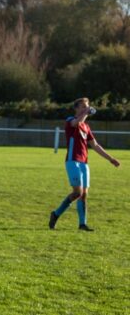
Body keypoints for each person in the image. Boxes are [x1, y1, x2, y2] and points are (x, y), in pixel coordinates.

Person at [49, 97, 121, 231]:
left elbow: (95, 145)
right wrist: (86, 113)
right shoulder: (70, 120)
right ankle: (56, 214)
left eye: (86, 107)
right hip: (72, 161)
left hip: (84, 163)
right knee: (77, 192)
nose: (85, 109)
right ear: (76, 109)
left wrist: (111, 159)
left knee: (84, 194)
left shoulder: (86, 127)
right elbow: (76, 122)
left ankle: (82, 224)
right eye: (82, 107)